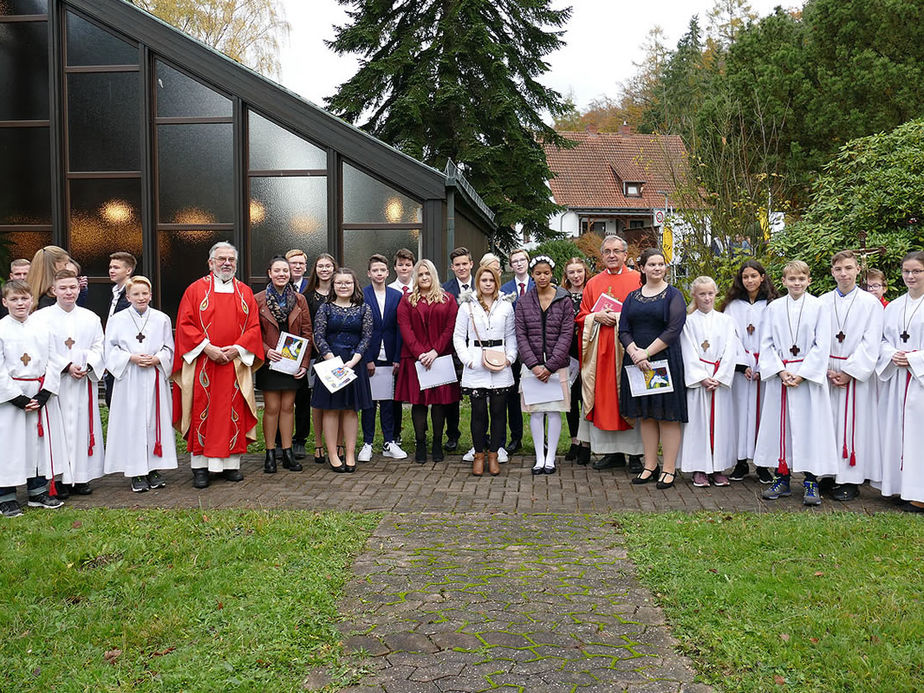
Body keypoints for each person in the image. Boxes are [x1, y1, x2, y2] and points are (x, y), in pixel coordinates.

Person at [172, 242, 264, 489]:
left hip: (233, 364)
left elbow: (254, 328)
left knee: (232, 412)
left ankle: (231, 465)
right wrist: (208, 348)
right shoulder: (195, 290)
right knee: (203, 411)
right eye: (221, 258)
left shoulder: (245, 292)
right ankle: (200, 467)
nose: (227, 263)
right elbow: (184, 325)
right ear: (210, 262)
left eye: (231, 259)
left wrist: (236, 349)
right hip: (204, 362)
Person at [754, 260, 838, 505]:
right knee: (781, 428)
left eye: (801, 279)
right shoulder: (774, 308)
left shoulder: (819, 307)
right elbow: (766, 343)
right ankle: (782, 476)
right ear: (784, 282)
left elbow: (823, 345)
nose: (797, 283)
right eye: (792, 279)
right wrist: (780, 371)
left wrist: (802, 373)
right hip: (781, 376)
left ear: (808, 280)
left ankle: (811, 480)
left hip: (806, 379)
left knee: (809, 428)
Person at [619, 248, 687, 489]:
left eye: (661, 264)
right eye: (652, 264)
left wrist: (646, 353)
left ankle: (669, 468)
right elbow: (623, 329)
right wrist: (635, 353)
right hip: (638, 364)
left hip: (663, 361)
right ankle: (650, 466)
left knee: (667, 416)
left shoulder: (674, 295)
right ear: (642, 268)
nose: (657, 268)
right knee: (646, 415)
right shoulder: (632, 297)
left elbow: (673, 330)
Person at [33, 269, 105, 497]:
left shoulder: (90, 317)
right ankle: (60, 479)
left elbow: (99, 347)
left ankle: (81, 478)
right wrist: (66, 365)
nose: (68, 292)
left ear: (79, 289)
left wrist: (88, 365)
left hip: (82, 384)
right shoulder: (40, 319)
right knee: (59, 431)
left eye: (73, 287)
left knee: (83, 429)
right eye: (63, 288)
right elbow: (39, 350)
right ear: (53, 290)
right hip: (57, 386)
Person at [103, 276, 177, 492]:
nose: (141, 297)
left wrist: (158, 359)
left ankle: (153, 468)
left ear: (151, 295)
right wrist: (131, 358)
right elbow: (110, 349)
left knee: (154, 422)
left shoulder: (161, 318)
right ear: (128, 297)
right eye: (136, 294)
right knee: (132, 423)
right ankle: (135, 471)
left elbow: (169, 347)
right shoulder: (117, 320)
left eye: (145, 293)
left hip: (153, 375)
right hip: (130, 377)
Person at [576, 235, 644, 471]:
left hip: (628, 349)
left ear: (626, 254)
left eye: (617, 251)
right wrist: (597, 317)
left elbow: (645, 312)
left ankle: (635, 454)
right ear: (602, 255)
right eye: (607, 251)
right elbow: (582, 315)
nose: (612, 255)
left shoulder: (638, 280)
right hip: (601, 354)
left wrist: (616, 317)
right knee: (606, 399)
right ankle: (612, 452)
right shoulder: (593, 283)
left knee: (630, 395)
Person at [821, 250, 884, 501]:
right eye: (838, 269)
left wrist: (849, 372)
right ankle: (829, 473)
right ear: (832, 272)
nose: (843, 274)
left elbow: (872, 342)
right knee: (829, 423)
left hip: (854, 373)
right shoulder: (823, 301)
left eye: (848, 268)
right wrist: (823, 367)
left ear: (858, 270)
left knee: (853, 425)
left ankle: (850, 479)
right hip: (827, 372)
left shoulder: (871, 303)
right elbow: (817, 338)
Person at [0, 280, 66, 516]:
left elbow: (55, 360)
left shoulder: (43, 328)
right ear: (4, 301)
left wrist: (45, 392)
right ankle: (6, 495)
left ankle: (37, 491)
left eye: (24, 299)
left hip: (38, 392)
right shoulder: (1, 329)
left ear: (31, 300)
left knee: (37, 444)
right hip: (11, 397)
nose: (20, 303)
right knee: (9, 445)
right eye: (15, 299)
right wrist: (16, 397)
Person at [454, 265, 516, 476]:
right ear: (478, 282)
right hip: (476, 362)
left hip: (500, 363)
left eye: (491, 280)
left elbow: (512, 336)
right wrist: (467, 361)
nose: (488, 284)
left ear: (496, 282)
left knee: (499, 412)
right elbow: (458, 337)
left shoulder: (506, 306)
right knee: (478, 413)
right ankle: (478, 455)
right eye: (484, 280)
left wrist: (510, 358)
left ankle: (494, 455)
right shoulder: (467, 306)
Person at [396, 259, 460, 463]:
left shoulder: (448, 299)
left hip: (440, 358)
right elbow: (405, 328)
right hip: (415, 360)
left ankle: (437, 443)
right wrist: (421, 353)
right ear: (416, 277)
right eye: (420, 274)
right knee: (419, 403)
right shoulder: (407, 300)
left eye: (427, 274)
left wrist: (434, 352)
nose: (424, 278)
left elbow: (450, 328)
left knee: (440, 404)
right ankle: (421, 442)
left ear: (434, 275)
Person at [720, 260, 777, 483]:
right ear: (740, 280)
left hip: (765, 369)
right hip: (741, 371)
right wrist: (743, 364)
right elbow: (730, 337)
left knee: (763, 415)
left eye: (754, 276)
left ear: (762, 277)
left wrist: (763, 365)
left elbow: (775, 337)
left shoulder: (773, 305)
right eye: (745, 277)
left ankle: (762, 464)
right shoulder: (733, 306)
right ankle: (741, 462)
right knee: (740, 415)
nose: (750, 280)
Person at [515, 256, 574, 474]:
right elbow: (520, 335)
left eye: (546, 273)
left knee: (554, 411)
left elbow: (567, 334)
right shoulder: (523, 302)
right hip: (532, 367)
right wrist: (533, 364)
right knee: (537, 412)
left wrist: (550, 366)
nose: (542, 277)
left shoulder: (563, 299)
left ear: (552, 274)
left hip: (556, 366)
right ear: (532, 275)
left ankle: (551, 458)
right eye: (538, 273)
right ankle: (539, 457)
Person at [876, 250, 924, 512]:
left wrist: (916, 358)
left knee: (920, 437)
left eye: (917, 271)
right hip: (897, 380)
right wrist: (892, 354)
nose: (910, 276)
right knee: (898, 433)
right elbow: (882, 341)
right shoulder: (894, 306)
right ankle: (902, 488)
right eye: (906, 271)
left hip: (919, 381)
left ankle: (921, 494)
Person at [311, 268, 373, 472]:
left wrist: (354, 361)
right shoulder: (325, 309)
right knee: (330, 409)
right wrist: (331, 359)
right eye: (339, 283)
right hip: (330, 364)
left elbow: (366, 336)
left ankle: (349, 453)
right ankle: (332, 454)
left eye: (348, 282)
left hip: (354, 364)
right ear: (333, 285)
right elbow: (318, 336)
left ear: (354, 284)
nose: (343, 286)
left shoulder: (364, 308)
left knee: (350, 409)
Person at [255, 256, 313, 474]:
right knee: (272, 408)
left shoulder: (299, 300)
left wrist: (304, 364)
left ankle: (288, 452)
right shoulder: (258, 299)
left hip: (292, 363)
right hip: (270, 362)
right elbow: (252, 332)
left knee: (289, 407)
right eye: (277, 270)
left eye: (285, 271)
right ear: (269, 273)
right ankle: (270, 453)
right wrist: (267, 351)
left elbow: (307, 333)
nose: (282, 274)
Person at [679, 277, 739, 487]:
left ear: (716, 294)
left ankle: (718, 468)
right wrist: (702, 377)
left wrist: (720, 376)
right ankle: (699, 468)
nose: (706, 298)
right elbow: (687, 350)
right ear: (694, 295)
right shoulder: (688, 322)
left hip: (719, 380)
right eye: (702, 294)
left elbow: (731, 350)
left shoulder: (726, 321)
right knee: (698, 424)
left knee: (721, 424)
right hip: (700, 381)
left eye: (710, 293)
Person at [358, 254, 407, 462]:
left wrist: (397, 357)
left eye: (382, 270)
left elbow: (400, 328)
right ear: (369, 273)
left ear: (388, 273)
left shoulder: (397, 296)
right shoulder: (362, 295)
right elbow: (361, 329)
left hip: (390, 356)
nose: (379, 274)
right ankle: (367, 442)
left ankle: (389, 441)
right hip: (369, 356)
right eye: (374, 270)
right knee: (369, 403)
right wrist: (367, 358)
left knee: (388, 401)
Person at [441, 246, 475, 452]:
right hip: (452, 349)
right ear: (452, 267)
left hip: (478, 349)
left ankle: (482, 436)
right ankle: (452, 434)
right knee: (451, 396)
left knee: (479, 396)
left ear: (471, 264)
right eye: (457, 265)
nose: (461, 268)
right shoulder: (445, 290)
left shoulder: (482, 286)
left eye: (465, 263)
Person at [499, 248, 533, 454]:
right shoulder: (505, 289)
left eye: (522, 260)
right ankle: (516, 437)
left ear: (528, 262)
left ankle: (542, 438)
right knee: (511, 395)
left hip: (534, 347)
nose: (519, 264)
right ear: (510, 266)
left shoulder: (538, 284)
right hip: (511, 349)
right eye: (515, 261)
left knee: (539, 394)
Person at [304, 253, 338, 465]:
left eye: (328, 266)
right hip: (318, 356)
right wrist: (323, 353)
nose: (324, 269)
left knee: (339, 403)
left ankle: (339, 444)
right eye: (320, 266)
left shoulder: (343, 291)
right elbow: (307, 329)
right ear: (315, 270)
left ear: (334, 269)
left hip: (341, 357)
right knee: (318, 402)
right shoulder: (307, 296)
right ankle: (318, 444)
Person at [562, 257, 591, 465]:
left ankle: (586, 443)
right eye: (572, 272)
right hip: (567, 352)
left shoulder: (592, 293)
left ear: (585, 272)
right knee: (570, 399)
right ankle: (574, 440)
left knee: (586, 398)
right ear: (567, 275)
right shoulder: (561, 295)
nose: (576, 276)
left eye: (579, 271)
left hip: (588, 350)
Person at [285, 248, 312, 459]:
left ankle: (300, 439)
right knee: (281, 398)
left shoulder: (309, 288)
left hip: (303, 350)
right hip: (280, 351)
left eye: (301, 263)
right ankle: (279, 440)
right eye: (293, 263)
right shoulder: (276, 286)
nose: (297, 266)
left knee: (303, 397)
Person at [388, 248, 416, 446]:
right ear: (395, 267)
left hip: (417, 350)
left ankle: (420, 433)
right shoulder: (389, 290)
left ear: (412, 266)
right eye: (401, 265)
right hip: (396, 349)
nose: (404, 268)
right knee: (395, 394)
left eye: (408, 265)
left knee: (419, 395)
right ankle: (395, 434)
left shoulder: (421, 287)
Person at [103, 251, 136, 407]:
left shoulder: (133, 292)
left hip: (125, 354)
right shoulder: (115, 292)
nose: (111, 270)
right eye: (110, 267)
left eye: (116, 267)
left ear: (128, 270)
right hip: (113, 351)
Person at [26, 245, 70, 311]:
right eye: (65, 264)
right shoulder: (53, 297)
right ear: (55, 264)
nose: (67, 269)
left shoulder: (28, 290)